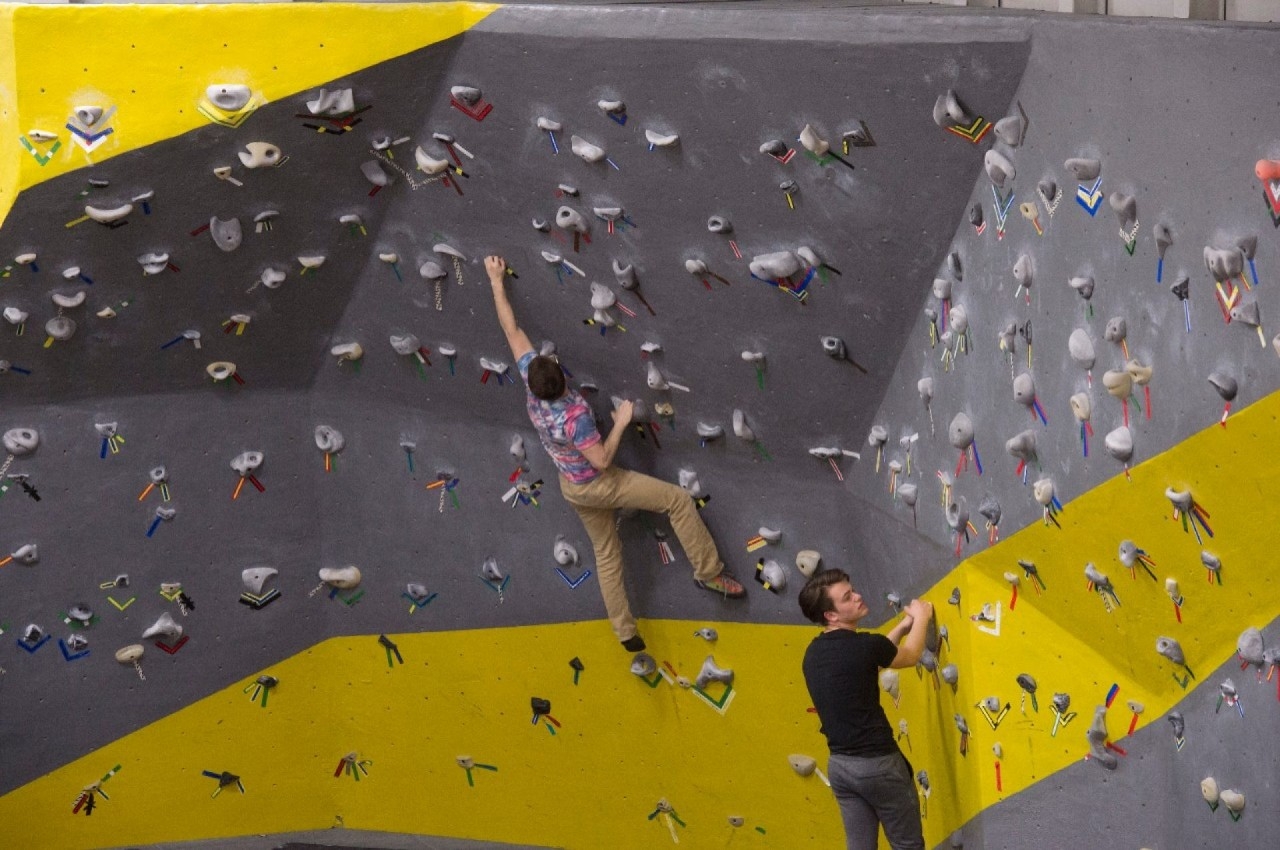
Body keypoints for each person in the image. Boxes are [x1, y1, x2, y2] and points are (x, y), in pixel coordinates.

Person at [485, 255, 745, 652]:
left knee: (607, 554)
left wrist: (496, 280)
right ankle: (708, 572)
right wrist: (622, 420)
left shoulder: (530, 382)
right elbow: (602, 461)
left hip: (570, 485)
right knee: (676, 500)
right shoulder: (574, 416)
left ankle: (625, 633)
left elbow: (512, 328)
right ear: (561, 378)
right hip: (598, 483)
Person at [798, 569, 932, 850]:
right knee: (907, 845)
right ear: (831, 615)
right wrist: (921, 618)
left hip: (841, 768)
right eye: (848, 597)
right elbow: (909, 656)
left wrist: (903, 627)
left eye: (853, 590)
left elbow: (872, 658)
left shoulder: (813, 653)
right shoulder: (864, 647)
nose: (858, 596)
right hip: (879, 765)